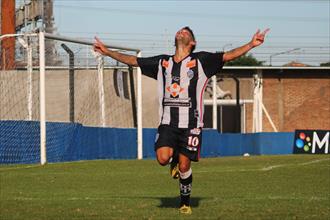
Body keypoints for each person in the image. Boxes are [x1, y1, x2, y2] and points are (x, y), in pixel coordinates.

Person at [93, 27, 269, 214]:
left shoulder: (201, 61)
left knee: (185, 166)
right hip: (168, 123)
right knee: (162, 158)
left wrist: (251, 44)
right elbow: (133, 61)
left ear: (192, 42)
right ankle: (173, 159)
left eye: (185, 32)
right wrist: (107, 52)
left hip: (191, 125)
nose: (180, 33)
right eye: (179, 31)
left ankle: (184, 202)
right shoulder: (162, 62)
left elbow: (228, 56)